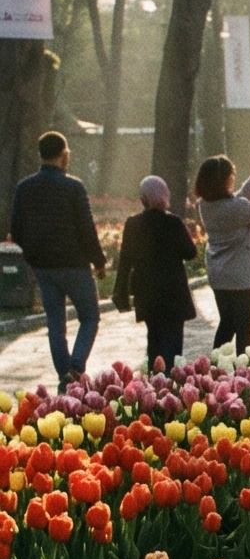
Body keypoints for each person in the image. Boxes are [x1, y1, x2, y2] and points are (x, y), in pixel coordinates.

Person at [9, 131, 105, 385]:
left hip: (43, 266)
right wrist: (99, 261)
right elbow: (86, 228)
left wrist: (32, 253)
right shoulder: (74, 187)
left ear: (41, 155)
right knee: (90, 317)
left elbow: (16, 230)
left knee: (55, 324)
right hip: (74, 265)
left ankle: (64, 373)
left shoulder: (24, 188)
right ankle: (76, 366)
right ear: (64, 155)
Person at [195, 154, 250, 355]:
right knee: (244, 330)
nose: (232, 179)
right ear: (224, 180)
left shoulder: (204, 205)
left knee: (227, 324)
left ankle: (214, 367)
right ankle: (245, 375)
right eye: (230, 175)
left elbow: (237, 199)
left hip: (219, 275)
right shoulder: (236, 208)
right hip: (243, 276)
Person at [111, 175, 198, 370]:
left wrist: (121, 291)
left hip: (147, 293)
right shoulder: (174, 222)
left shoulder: (133, 224)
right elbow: (191, 252)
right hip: (174, 293)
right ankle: (172, 385)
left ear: (143, 198)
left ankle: (154, 387)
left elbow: (125, 261)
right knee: (174, 343)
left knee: (155, 341)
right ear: (165, 195)